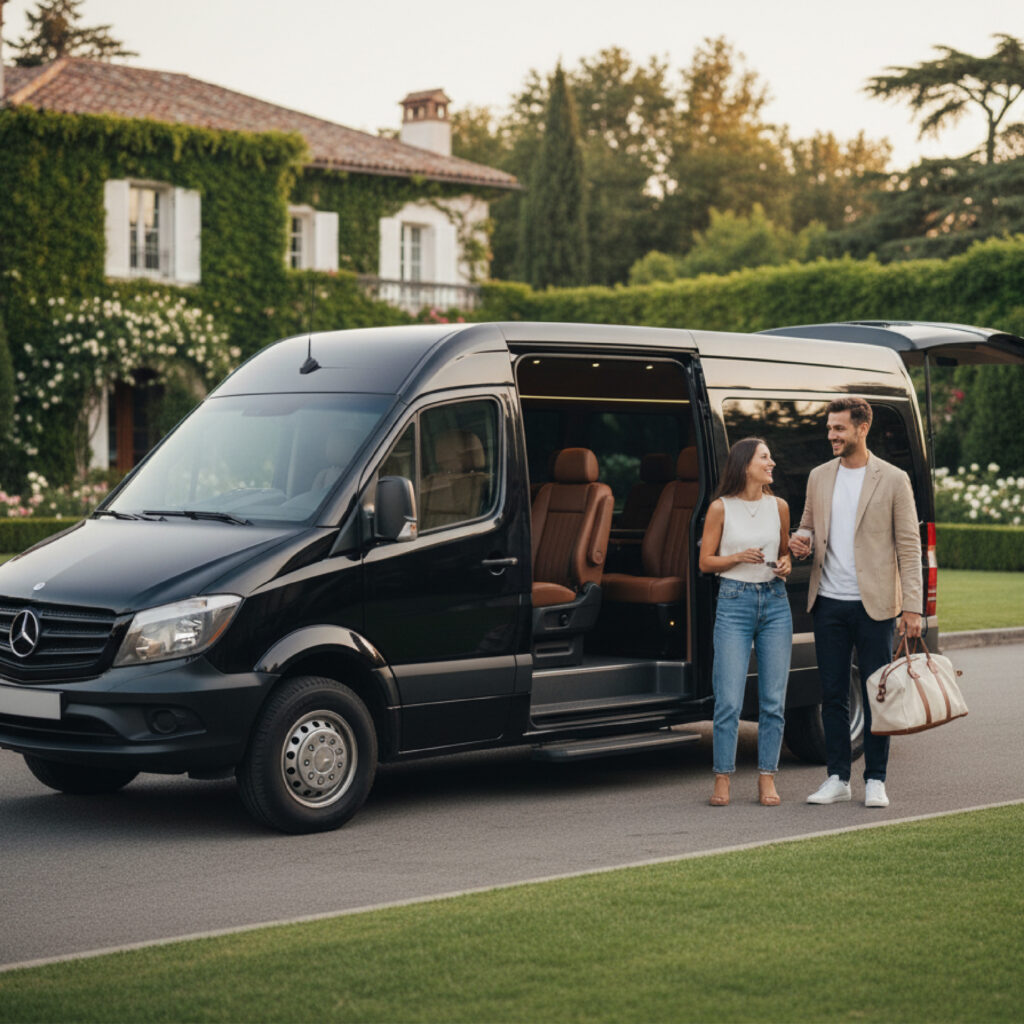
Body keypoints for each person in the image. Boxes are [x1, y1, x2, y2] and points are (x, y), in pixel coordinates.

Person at [789, 397, 922, 809]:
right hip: (828, 602)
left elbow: (909, 545)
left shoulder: (894, 479)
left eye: (839, 428)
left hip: (875, 605)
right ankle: (837, 778)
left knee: (877, 692)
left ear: (862, 429)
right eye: (830, 428)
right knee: (832, 694)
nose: (831, 435)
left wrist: (913, 607)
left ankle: (876, 779)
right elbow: (807, 526)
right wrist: (801, 541)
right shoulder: (818, 476)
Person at [698, 437, 792, 807]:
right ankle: (722, 777)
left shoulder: (779, 506)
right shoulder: (720, 508)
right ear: (745, 464)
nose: (772, 463)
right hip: (734, 602)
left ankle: (767, 777)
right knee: (728, 699)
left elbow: (784, 552)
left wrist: (785, 564)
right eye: (764, 457)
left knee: (773, 700)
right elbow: (706, 562)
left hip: (775, 602)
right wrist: (737, 557)